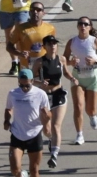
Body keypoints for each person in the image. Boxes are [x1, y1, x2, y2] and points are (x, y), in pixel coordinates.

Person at [63, 17, 97, 143]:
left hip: (93, 78)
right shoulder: (72, 42)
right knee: (78, 106)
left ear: (90, 27)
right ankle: (79, 135)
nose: (83, 26)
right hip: (77, 78)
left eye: (86, 24)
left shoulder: (94, 41)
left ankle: (92, 115)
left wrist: (95, 61)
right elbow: (64, 59)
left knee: (91, 109)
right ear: (77, 26)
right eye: (80, 24)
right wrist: (71, 62)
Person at [4, 67, 51, 177]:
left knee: (34, 171)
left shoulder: (40, 94)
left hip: (34, 135)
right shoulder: (13, 93)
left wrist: (46, 114)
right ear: (18, 82)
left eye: (27, 86)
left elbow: (49, 115)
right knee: (15, 170)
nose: (24, 88)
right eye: (22, 85)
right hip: (17, 134)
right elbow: (8, 109)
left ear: (32, 82)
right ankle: (23, 174)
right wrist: (6, 120)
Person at [31, 35, 67, 170]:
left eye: (55, 43)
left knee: (56, 126)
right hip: (45, 96)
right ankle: (51, 139)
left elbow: (67, 74)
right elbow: (30, 79)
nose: (53, 46)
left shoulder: (61, 59)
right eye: (50, 44)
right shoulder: (39, 62)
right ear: (44, 46)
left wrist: (74, 79)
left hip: (59, 94)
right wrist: (40, 82)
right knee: (47, 129)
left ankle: (54, 155)